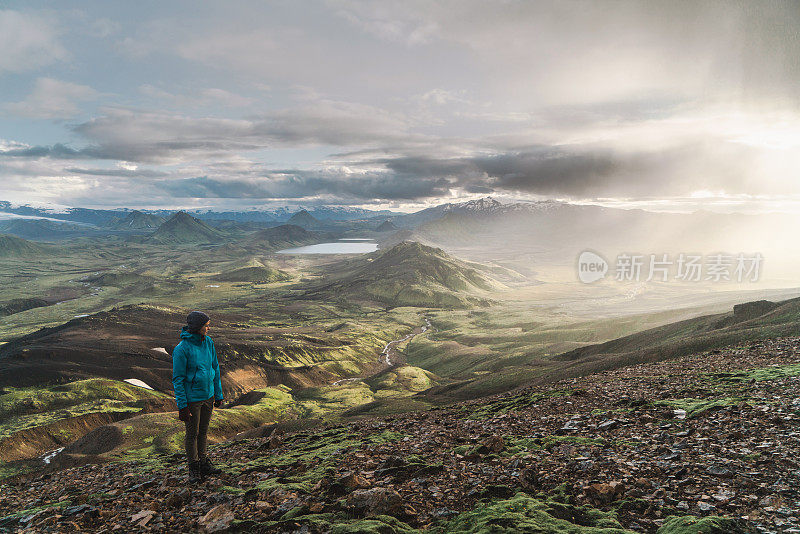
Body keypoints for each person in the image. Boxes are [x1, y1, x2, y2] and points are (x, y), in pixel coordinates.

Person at [172, 311, 224, 482]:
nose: (208, 328)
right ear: (197, 327)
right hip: (192, 400)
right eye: (206, 325)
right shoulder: (182, 349)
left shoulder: (208, 342)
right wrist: (182, 406)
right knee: (192, 434)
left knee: (203, 432)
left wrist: (218, 394)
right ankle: (193, 468)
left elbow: (215, 368)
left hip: (208, 396)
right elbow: (178, 379)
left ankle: (203, 463)